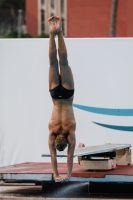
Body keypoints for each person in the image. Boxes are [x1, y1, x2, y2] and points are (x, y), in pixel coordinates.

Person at [48, 16, 76, 182]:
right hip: (55, 95)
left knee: (63, 62)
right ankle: (53, 33)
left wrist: (67, 175)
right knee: (53, 63)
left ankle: (59, 33)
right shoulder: (51, 131)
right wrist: (56, 174)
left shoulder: (70, 131)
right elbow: (52, 155)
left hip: (67, 95)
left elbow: (70, 156)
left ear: (66, 140)